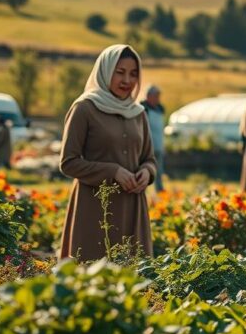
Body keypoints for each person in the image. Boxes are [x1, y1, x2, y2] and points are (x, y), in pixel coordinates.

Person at [59, 44, 157, 261]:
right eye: (119, 72)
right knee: (91, 276)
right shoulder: (84, 109)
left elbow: (149, 158)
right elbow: (68, 162)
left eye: (133, 74)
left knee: (134, 279)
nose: (127, 81)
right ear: (105, 71)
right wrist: (112, 172)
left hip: (132, 207)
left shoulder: (138, 113)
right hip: (94, 209)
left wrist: (147, 173)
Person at [141, 85, 166, 192]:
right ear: (148, 96)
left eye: (158, 96)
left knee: (159, 171)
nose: (157, 98)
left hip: (158, 146)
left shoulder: (160, 109)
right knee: (145, 171)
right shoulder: (143, 109)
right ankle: (142, 191)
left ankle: (160, 191)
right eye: (155, 96)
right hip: (147, 147)